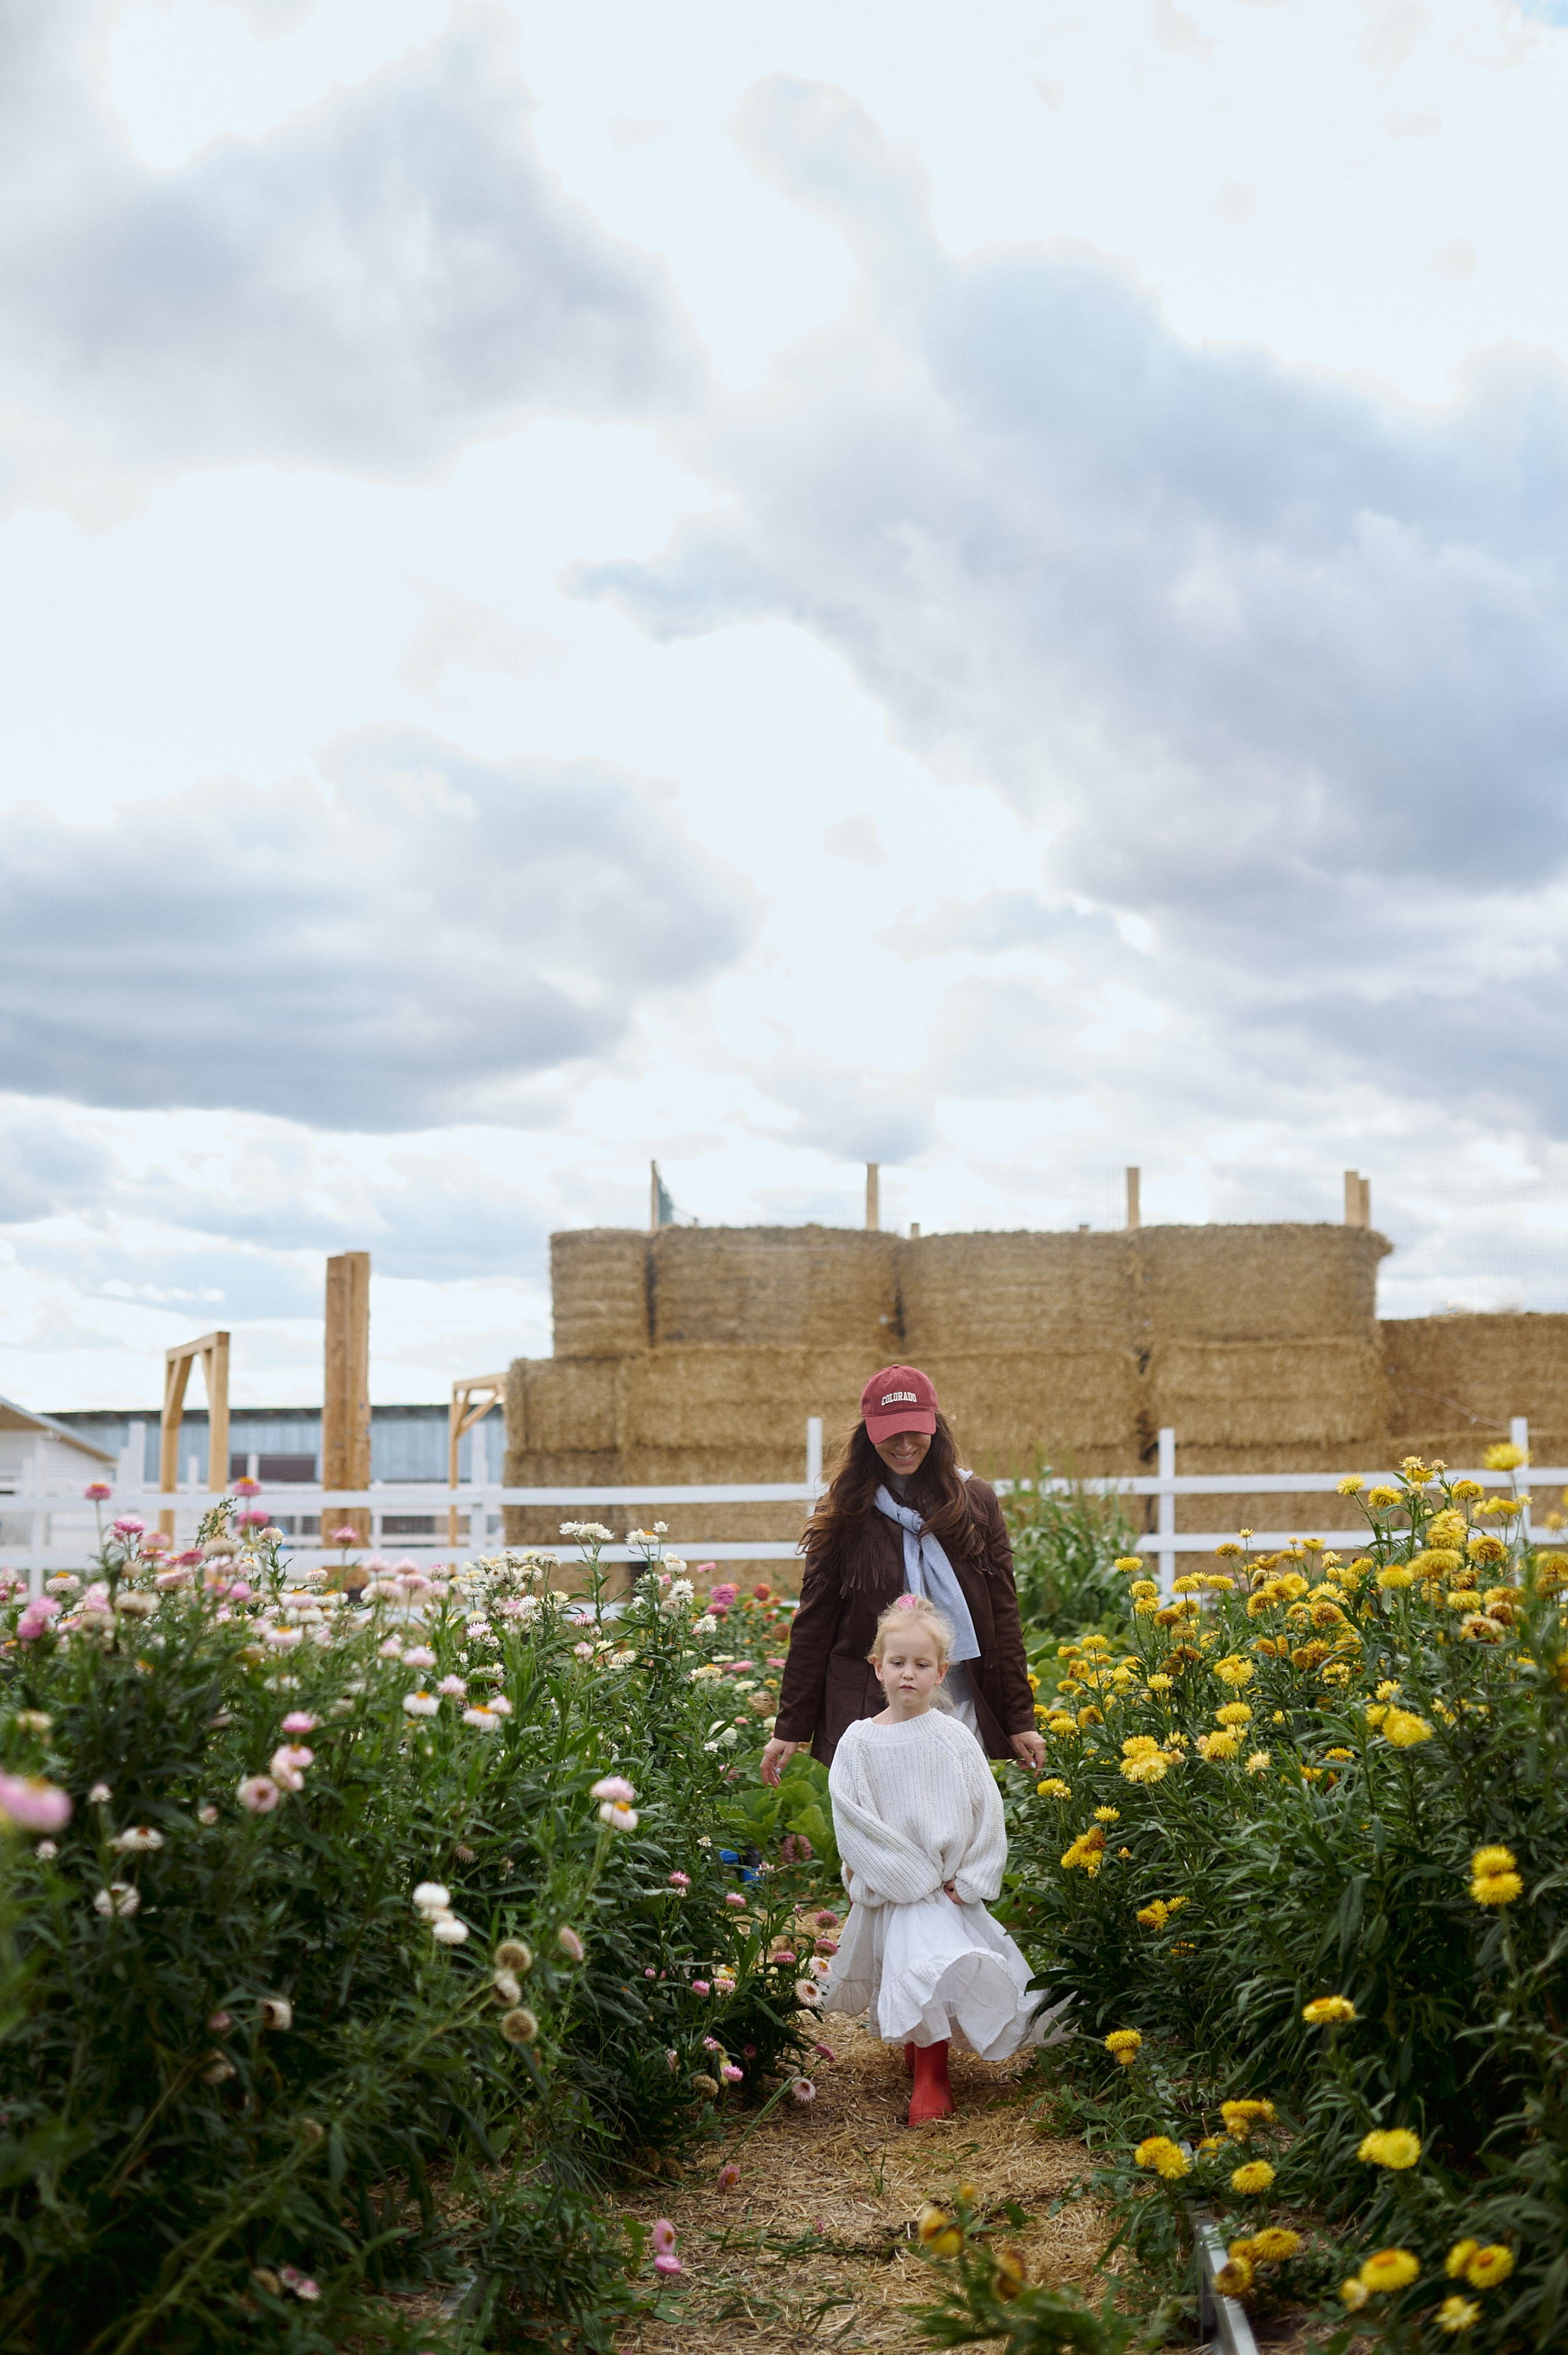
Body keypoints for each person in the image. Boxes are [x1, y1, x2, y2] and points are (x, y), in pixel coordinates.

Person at [820, 1594, 1047, 2122]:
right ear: (877, 1666)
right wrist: (902, 1875)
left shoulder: (954, 1740)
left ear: (942, 1672)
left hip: (944, 1888)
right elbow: (853, 1820)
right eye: (897, 1662)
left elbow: (986, 1812)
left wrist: (972, 1876)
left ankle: (931, 2073)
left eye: (922, 1665)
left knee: (930, 1964)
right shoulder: (858, 1743)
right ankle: (918, 2053)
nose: (908, 1675)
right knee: (912, 1965)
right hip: (894, 1884)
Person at [760, 1364, 1046, 1780]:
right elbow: (814, 1624)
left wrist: (1020, 1718)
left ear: (936, 1427)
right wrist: (790, 1727)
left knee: (949, 1830)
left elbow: (1003, 1617)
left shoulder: (976, 1503)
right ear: (869, 1433)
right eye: (891, 1431)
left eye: (916, 1429)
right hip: (870, 1713)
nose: (905, 1443)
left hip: (957, 1702)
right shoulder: (844, 1509)